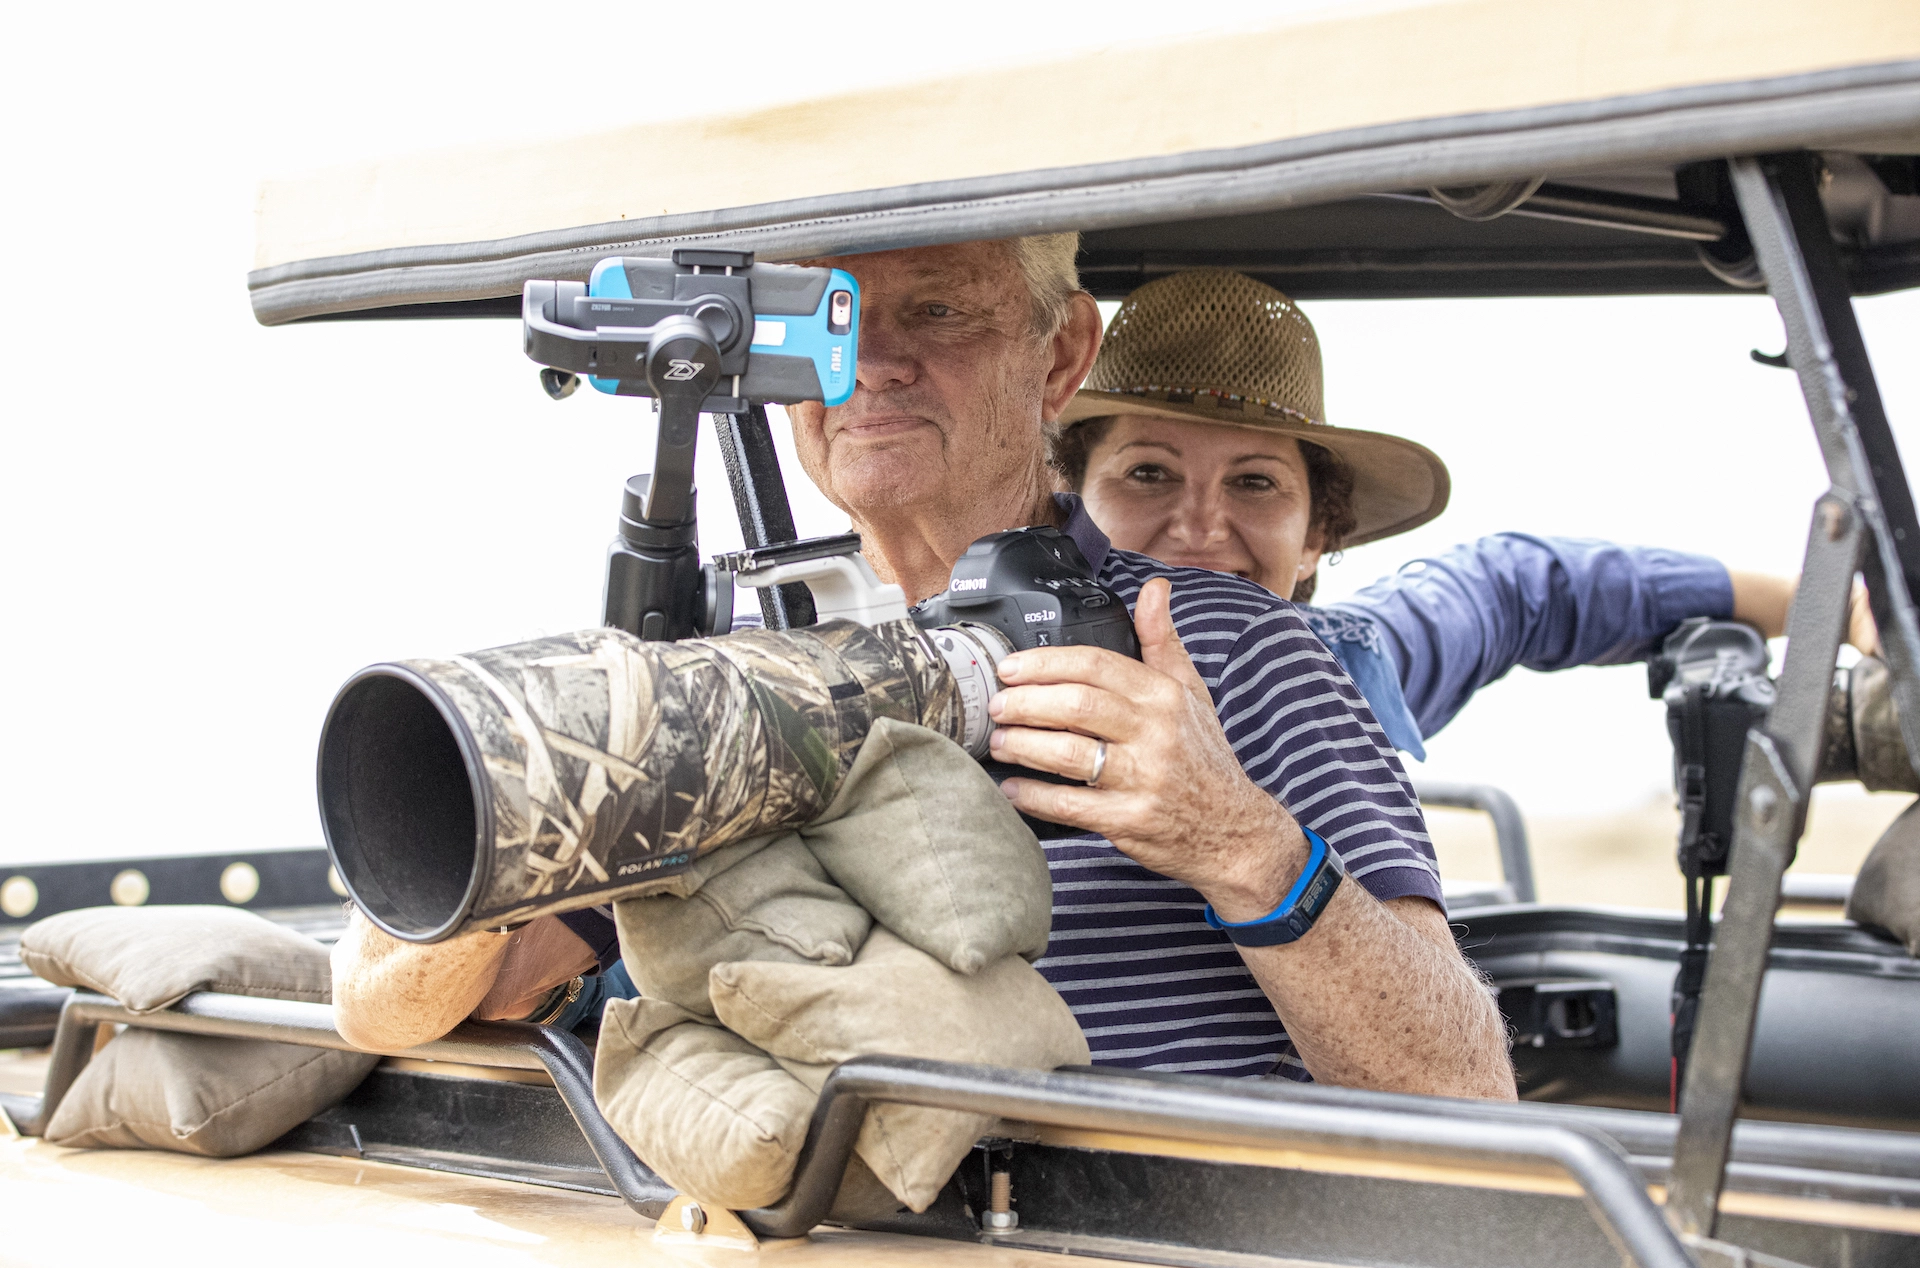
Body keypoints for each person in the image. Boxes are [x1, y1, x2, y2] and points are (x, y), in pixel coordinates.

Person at [335, 234, 1516, 1101]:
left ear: (1060, 357)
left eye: (942, 313)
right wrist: (573, 770)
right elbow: (444, 1000)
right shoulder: (750, 667)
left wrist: (1236, 841)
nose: (876, 362)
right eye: (830, 314)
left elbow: (1463, 1092)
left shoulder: (1227, 647)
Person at [1050, 269, 1881, 760]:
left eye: (1256, 482)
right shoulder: (988, 681)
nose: (1200, 527)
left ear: (1318, 537)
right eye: (1149, 473)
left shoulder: (1346, 673)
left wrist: (1832, 606)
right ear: (1072, 506)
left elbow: (1522, 588)